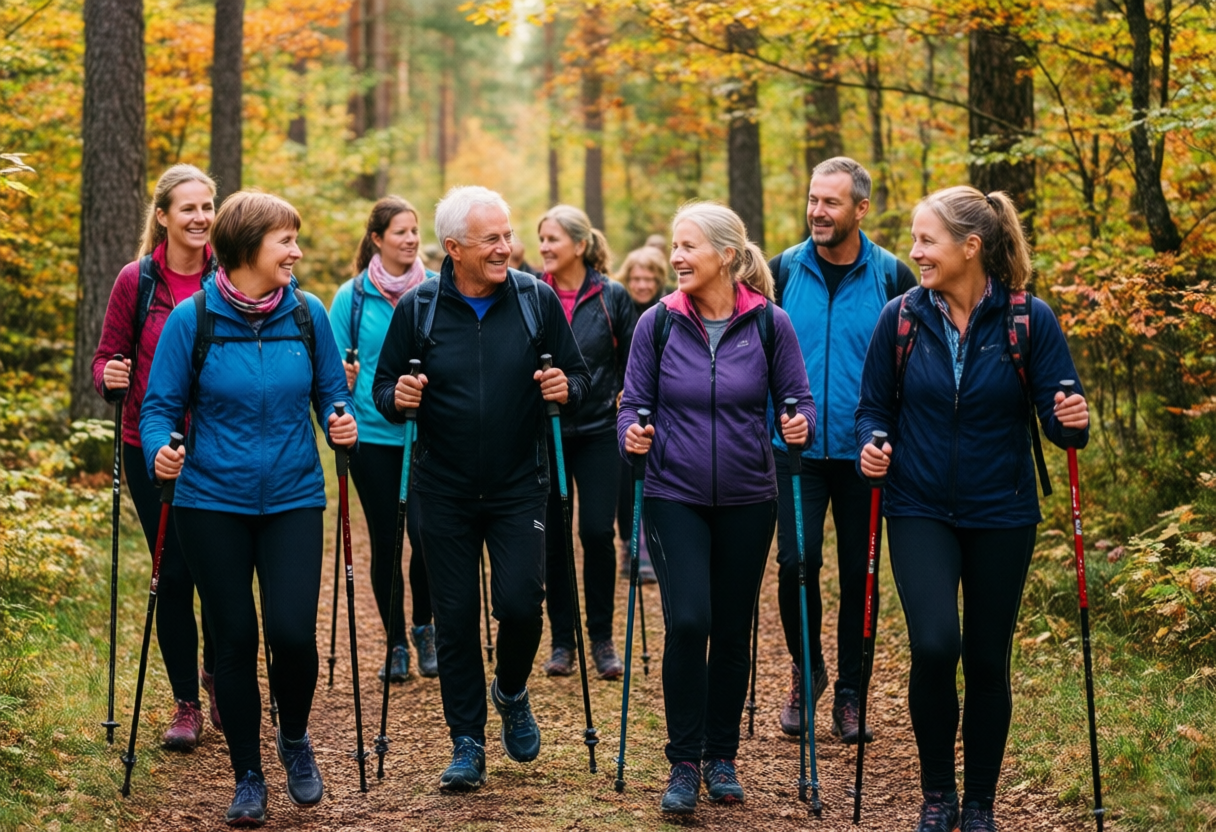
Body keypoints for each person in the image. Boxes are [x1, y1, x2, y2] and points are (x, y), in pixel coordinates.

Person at [855, 186, 1090, 832]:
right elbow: (873, 408)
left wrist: (1072, 420)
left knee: (988, 660)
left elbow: (1060, 416)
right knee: (935, 646)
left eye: (926, 240)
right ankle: (938, 795)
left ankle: (980, 803)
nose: (915, 252)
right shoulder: (901, 318)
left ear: (971, 247)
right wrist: (872, 444)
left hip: (1002, 511)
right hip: (918, 506)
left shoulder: (1028, 320)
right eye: (914, 239)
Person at [141, 191, 356, 826]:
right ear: (246, 247)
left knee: (292, 635)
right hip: (210, 502)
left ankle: (294, 737)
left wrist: (341, 424)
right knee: (233, 639)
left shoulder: (309, 315)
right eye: (285, 241)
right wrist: (158, 452)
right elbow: (158, 408)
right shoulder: (194, 320)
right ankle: (248, 776)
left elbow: (333, 396)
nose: (296, 252)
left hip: (293, 497)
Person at [372, 186, 590, 792]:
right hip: (441, 489)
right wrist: (398, 398)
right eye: (491, 239)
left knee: (521, 603)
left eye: (507, 236)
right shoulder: (418, 308)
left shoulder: (534, 299)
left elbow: (580, 377)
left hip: (521, 484)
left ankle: (511, 690)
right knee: (456, 617)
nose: (506, 248)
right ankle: (466, 741)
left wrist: (565, 388)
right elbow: (384, 390)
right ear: (454, 248)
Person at [618, 202, 815, 814]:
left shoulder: (770, 324)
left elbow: (800, 400)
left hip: (749, 497)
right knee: (689, 622)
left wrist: (800, 424)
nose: (676, 257)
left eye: (689, 247)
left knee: (732, 629)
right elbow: (632, 404)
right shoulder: (656, 323)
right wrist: (632, 435)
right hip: (672, 494)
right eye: (675, 246)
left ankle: (721, 756)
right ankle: (683, 761)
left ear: (726, 256)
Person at [766, 156, 918, 743]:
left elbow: (913, 366)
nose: (817, 211)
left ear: (861, 208)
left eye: (831, 202)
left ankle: (852, 691)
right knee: (795, 563)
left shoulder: (893, 277)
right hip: (794, 451)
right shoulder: (781, 271)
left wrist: (897, 436)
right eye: (813, 199)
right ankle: (808, 671)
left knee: (861, 572)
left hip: (865, 454)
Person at [92, 164, 220, 751]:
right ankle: (186, 702)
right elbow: (105, 358)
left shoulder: (230, 274)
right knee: (172, 575)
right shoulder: (137, 280)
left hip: (219, 447)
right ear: (163, 216)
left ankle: (219, 674)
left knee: (219, 572)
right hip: (150, 446)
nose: (199, 217)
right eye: (187, 208)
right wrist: (109, 377)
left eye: (207, 206)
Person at [329, 196, 438, 682]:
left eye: (414, 230)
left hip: (428, 436)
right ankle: (395, 643)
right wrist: (343, 387)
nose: (411, 239)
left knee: (427, 535)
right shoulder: (350, 298)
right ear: (377, 239)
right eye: (400, 232)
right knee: (387, 541)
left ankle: (424, 628)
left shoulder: (437, 289)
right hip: (372, 437)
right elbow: (331, 374)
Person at [535, 205, 637, 680]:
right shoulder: (530, 293)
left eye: (553, 239)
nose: (544, 247)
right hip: (546, 432)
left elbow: (635, 360)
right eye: (541, 239)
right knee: (553, 537)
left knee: (597, 532)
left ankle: (601, 638)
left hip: (598, 431)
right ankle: (562, 640)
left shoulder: (612, 296)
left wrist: (629, 400)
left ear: (579, 244)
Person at [611, 246, 669, 583]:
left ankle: (656, 545)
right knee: (625, 476)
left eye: (649, 278)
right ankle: (628, 545)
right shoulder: (620, 307)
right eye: (636, 278)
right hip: (626, 403)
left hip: (663, 402)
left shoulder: (669, 307)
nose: (642, 284)